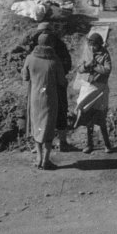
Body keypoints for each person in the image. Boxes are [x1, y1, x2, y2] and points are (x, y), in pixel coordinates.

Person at [22, 32, 67, 170]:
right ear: (51, 44)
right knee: (48, 128)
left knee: (37, 127)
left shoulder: (30, 58)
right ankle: (46, 160)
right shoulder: (55, 60)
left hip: (35, 98)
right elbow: (62, 82)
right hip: (50, 99)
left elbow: (25, 77)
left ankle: (39, 158)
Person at [33, 22, 77, 152]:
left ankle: (62, 141)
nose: (43, 35)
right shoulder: (36, 46)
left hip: (56, 85)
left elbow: (67, 64)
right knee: (40, 113)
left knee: (61, 111)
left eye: (45, 33)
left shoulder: (59, 46)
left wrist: (57, 73)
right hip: (41, 85)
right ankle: (39, 144)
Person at [75, 33, 113, 154]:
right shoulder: (88, 52)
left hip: (100, 88)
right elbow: (80, 69)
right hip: (89, 87)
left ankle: (107, 144)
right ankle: (89, 144)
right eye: (91, 45)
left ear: (99, 44)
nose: (92, 47)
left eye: (94, 45)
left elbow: (107, 70)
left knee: (101, 117)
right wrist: (87, 65)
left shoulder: (105, 54)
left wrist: (95, 66)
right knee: (88, 117)